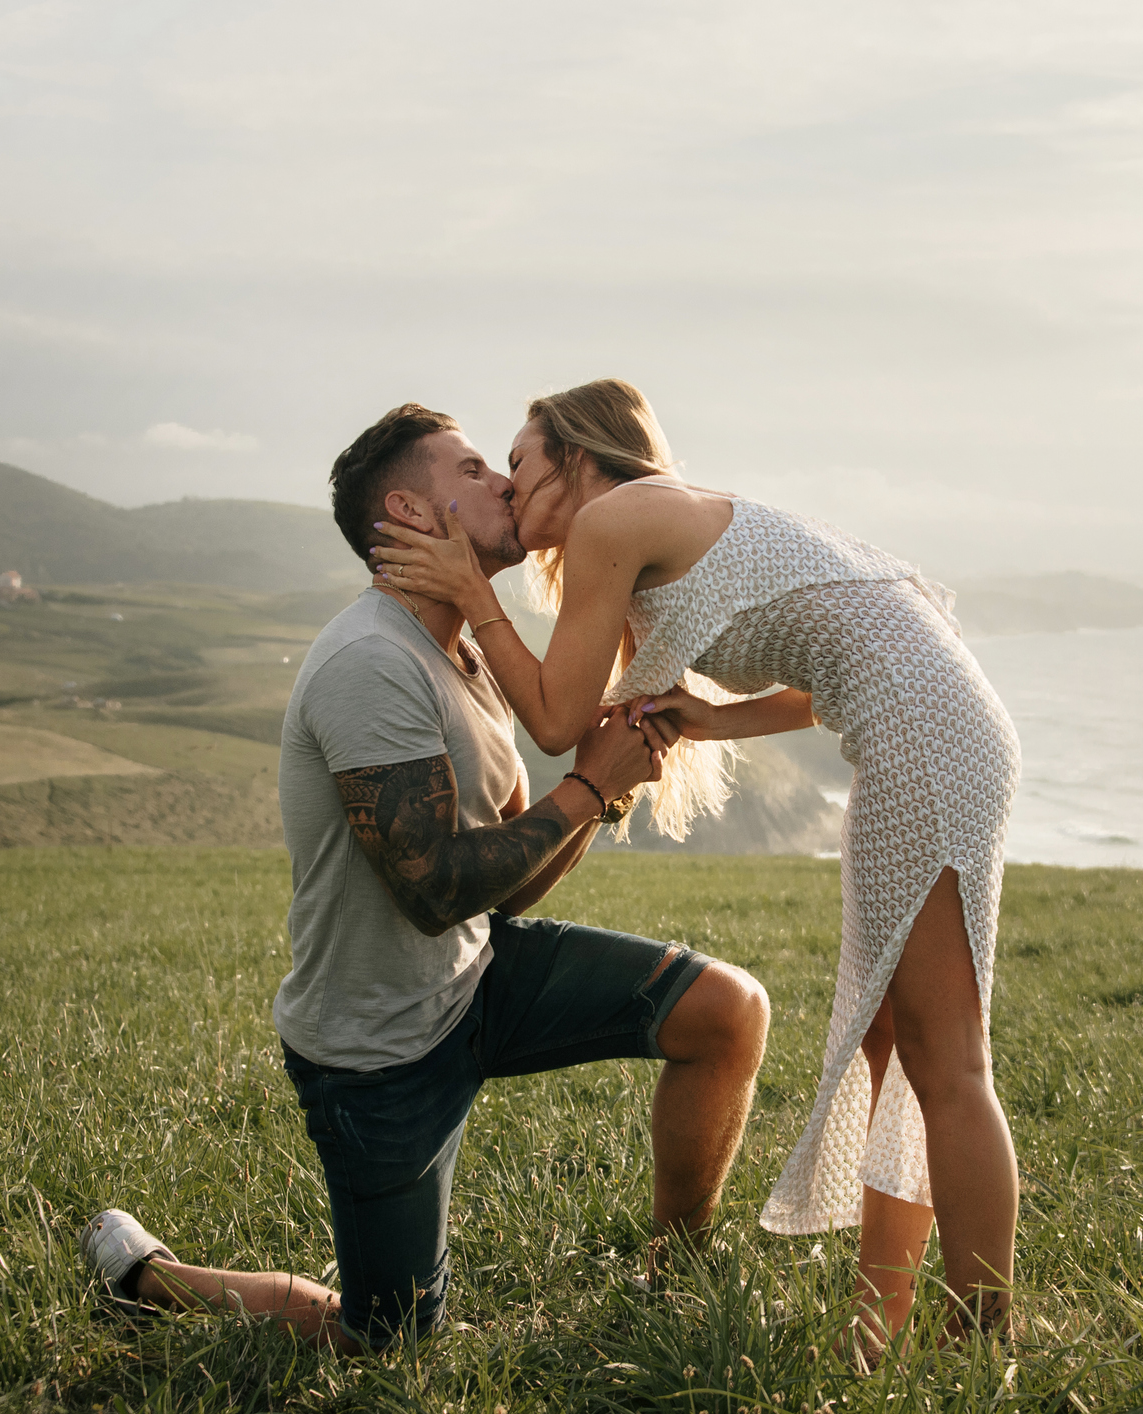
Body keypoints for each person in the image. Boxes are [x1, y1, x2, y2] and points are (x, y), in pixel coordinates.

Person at [80, 402, 771, 1353]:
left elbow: (506, 893)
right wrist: (585, 786)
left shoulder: (471, 660)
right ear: (406, 514)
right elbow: (436, 888)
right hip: (378, 1050)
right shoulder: (370, 662)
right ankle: (148, 1279)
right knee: (387, 1342)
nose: (506, 483)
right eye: (476, 468)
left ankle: (677, 1282)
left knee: (727, 1013)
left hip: (475, 977)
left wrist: (600, 796)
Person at [368, 380, 1021, 1344]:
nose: (509, 488)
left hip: (922, 738)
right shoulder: (661, 519)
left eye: (518, 461)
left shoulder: (619, 517)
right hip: (925, 726)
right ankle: (878, 1326)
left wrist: (474, 594)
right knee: (895, 1046)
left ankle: (979, 1345)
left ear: (578, 455)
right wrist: (721, 720)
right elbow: (863, 648)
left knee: (946, 1058)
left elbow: (554, 723)